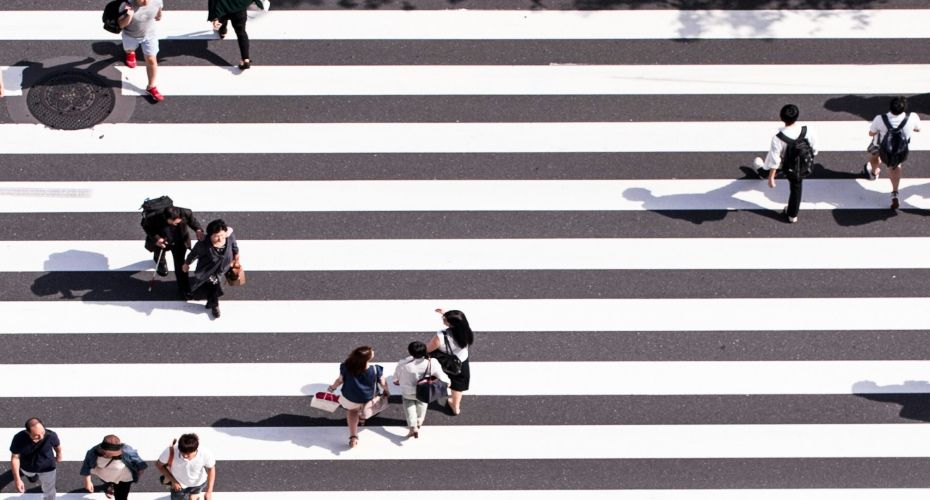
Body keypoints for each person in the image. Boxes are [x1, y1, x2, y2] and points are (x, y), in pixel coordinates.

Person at [754, 104, 817, 223]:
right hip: (801, 165)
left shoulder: (778, 138)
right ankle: (792, 215)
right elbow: (814, 148)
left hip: (787, 165)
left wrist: (771, 177)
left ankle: (763, 172)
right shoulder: (807, 130)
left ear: (781, 118)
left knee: (773, 165)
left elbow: (775, 160)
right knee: (796, 189)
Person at [865, 96, 922, 210]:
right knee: (894, 167)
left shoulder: (880, 118)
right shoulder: (912, 117)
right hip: (900, 150)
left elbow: (871, 133)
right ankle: (895, 193)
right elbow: (918, 129)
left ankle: (875, 172)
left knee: (872, 156)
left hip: (881, 146)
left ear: (890, 107)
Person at [327, 346, 390, 448]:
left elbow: (340, 380)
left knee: (352, 411)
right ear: (367, 359)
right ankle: (362, 418)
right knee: (366, 408)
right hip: (368, 397)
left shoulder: (346, 367)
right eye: (371, 352)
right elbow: (383, 383)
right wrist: (387, 391)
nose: (373, 351)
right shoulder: (375, 369)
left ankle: (353, 437)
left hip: (350, 396)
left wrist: (332, 388)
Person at [143, 205, 204, 298]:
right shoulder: (154, 217)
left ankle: (184, 288)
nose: (177, 223)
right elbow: (145, 225)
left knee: (180, 264)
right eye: (174, 222)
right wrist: (157, 239)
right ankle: (160, 262)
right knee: (159, 253)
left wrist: (198, 229)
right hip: (162, 239)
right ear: (166, 218)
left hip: (179, 241)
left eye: (178, 221)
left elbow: (193, 221)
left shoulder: (186, 212)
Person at [182, 219, 239, 319]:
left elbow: (234, 246)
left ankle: (210, 301)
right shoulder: (203, 244)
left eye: (222, 235)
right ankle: (215, 305)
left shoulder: (229, 237)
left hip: (223, 268)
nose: (220, 238)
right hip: (208, 270)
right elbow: (193, 254)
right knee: (214, 285)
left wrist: (236, 257)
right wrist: (186, 263)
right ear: (210, 235)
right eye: (216, 236)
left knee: (214, 285)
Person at [393, 341, 450, 438]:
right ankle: (419, 422)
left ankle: (412, 426)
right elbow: (443, 378)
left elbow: (396, 378)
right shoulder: (432, 363)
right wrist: (447, 383)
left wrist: (397, 381)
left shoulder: (403, 364)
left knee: (409, 405)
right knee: (422, 403)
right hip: (425, 390)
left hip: (408, 391)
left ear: (410, 352)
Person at [427, 309, 474, 416]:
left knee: (435, 375)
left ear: (451, 323)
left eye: (445, 319)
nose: (443, 320)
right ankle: (455, 406)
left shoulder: (441, 335)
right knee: (458, 385)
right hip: (460, 361)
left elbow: (429, 349)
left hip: (442, 361)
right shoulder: (467, 332)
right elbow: (458, 322)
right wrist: (446, 313)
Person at [118, 0, 165, 102]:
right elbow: (121, 25)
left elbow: (158, 15)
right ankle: (130, 53)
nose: (144, 2)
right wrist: (128, 15)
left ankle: (151, 86)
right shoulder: (125, 6)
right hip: (131, 36)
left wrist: (159, 15)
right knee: (129, 49)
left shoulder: (157, 1)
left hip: (150, 35)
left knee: (152, 59)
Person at [80, 435, 147, 500]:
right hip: (105, 476)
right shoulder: (93, 452)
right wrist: (87, 482)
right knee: (108, 481)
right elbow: (86, 465)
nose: (106, 455)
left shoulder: (127, 451)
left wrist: (138, 473)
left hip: (124, 478)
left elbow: (139, 462)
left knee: (121, 497)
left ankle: (111, 486)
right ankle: (111, 485)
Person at [9, 418, 61, 500]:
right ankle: (32, 477)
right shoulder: (18, 438)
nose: (41, 437)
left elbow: (57, 446)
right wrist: (17, 479)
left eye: (43, 432)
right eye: (36, 435)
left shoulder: (51, 435)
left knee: (49, 490)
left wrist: (59, 454)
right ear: (28, 432)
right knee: (31, 476)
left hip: (48, 468)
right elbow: (15, 458)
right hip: (27, 467)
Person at [154, 433, 216, 500]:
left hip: (198, 484)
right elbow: (159, 464)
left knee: (193, 497)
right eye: (182, 453)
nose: (185, 456)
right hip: (179, 485)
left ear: (196, 449)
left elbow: (211, 468)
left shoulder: (205, 453)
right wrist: (173, 481)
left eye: (188, 454)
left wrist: (209, 492)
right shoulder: (170, 451)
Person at [208, 0, 264, 70]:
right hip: (239, 9)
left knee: (222, 19)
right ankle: (245, 59)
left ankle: (223, 32)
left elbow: (213, 2)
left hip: (223, 9)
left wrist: (214, 18)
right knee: (241, 33)